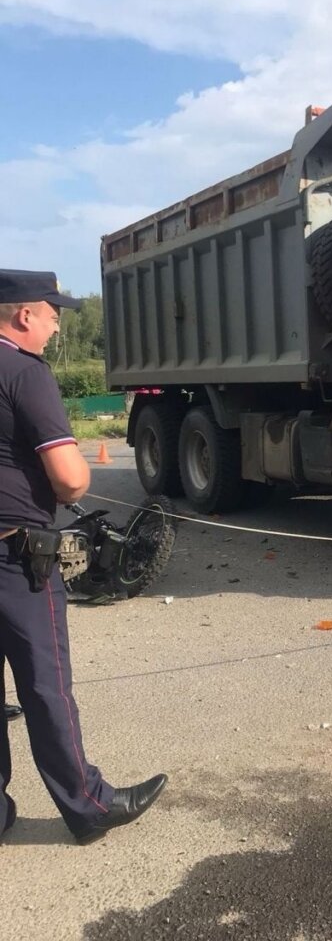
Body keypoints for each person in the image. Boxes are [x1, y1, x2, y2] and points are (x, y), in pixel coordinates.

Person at [0, 269, 167, 845]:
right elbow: (70, 480)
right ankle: (91, 805)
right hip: (15, 561)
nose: (54, 325)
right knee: (45, 685)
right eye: (52, 314)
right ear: (25, 314)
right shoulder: (23, 372)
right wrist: (77, 477)